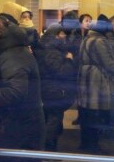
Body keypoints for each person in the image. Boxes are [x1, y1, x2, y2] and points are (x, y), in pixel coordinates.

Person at [0, 18, 45, 162]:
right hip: (12, 125)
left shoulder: (13, 54)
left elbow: (16, 91)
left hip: (20, 129)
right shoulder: (4, 52)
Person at [77, 14, 114, 153]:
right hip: (96, 80)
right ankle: (92, 146)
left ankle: (85, 144)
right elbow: (109, 63)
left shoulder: (87, 38)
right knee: (95, 114)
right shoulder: (99, 41)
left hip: (86, 78)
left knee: (87, 113)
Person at [35, 23, 78, 152]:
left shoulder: (45, 48)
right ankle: (49, 148)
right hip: (54, 89)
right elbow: (60, 71)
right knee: (54, 118)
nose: (64, 36)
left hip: (47, 88)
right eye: (62, 33)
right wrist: (69, 60)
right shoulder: (52, 51)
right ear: (55, 35)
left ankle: (46, 146)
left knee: (48, 117)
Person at [71, 13, 92, 125]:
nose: (89, 23)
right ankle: (80, 116)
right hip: (75, 67)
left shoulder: (91, 36)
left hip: (86, 68)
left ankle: (85, 117)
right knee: (78, 93)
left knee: (86, 93)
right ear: (80, 23)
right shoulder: (75, 35)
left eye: (90, 21)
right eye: (86, 20)